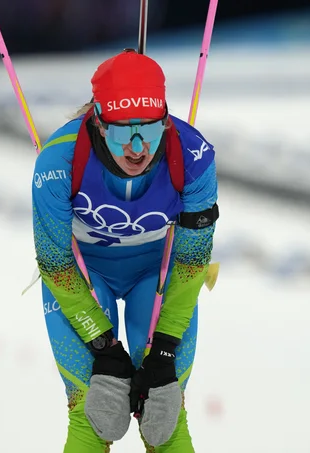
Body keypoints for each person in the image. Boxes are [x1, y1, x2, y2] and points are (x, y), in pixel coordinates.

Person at [32, 49, 219, 453]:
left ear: (166, 121)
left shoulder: (195, 157)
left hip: (156, 276)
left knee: (164, 413)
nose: (137, 148)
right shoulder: (57, 161)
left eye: (150, 131)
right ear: (98, 123)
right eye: (122, 133)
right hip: (82, 277)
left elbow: (191, 261)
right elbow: (55, 264)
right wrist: (103, 346)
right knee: (94, 411)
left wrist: (164, 350)